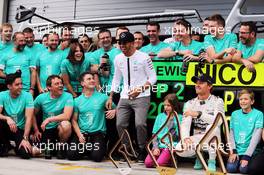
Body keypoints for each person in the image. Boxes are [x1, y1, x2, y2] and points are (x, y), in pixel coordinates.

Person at [106, 32, 157, 162]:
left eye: (125, 43)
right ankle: (128, 150)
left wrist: (139, 90)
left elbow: (153, 78)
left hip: (142, 96)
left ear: (132, 43)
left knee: (140, 124)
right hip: (124, 96)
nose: (122, 45)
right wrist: (111, 96)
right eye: (120, 43)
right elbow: (116, 79)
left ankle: (142, 150)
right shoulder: (118, 58)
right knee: (120, 124)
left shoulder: (144, 57)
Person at [175, 74, 224, 171]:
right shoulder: (189, 103)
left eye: (201, 83)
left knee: (211, 127)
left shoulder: (217, 101)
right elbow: (185, 124)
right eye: (196, 83)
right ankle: (199, 154)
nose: (197, 85)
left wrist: (199, 114)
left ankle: (211, 160)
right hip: (198, 138)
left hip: (213, 138)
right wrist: (185, 139)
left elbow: (219, 121)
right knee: (179, 149)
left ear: (210, 86)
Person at [67, 72, 116, 162]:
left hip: (97, 133)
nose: (92, 80)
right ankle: (88, 149)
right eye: (89, 79)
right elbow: (74, 120)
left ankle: (91, 149)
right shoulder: (77, 100)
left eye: (93, 78)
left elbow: (118, 108)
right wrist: (79, 135)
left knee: (97, 158)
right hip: (82, 133)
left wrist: (114, 110)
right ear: (82, 83)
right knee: (71, 155)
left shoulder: (103, 97)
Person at [33, 75, 73, 159]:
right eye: (57, 84)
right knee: (33, 152)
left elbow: (67, 116)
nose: (61, 85)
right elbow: (32, 114)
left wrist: (49, 119)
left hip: (60, 129)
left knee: (66, 124)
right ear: (49, 87)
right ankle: (52, 148)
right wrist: (36, 130)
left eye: (61, 83)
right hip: (47, 130)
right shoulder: (41, 98)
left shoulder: (68, 96)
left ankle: (61, 147)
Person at [227, 89, 263, 174]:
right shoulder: (234, 114)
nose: (243, 101)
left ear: (252, 101)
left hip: (251, 151)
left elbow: (256, 137)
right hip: (238, 151)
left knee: (244, 170)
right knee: (230, 169)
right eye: (241, 99)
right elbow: (231, 134)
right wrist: (234, 151)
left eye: (246, 99)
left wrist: (247, 156)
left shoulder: (258, 114)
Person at [0, 71, 34, 159]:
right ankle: (6, 145)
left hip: (20, 130)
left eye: (21, 84)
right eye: (17, 84)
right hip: (7, 127)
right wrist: (7, 118)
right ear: (9, 86)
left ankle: (14, 146)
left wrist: (25, 139)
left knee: (26, 154)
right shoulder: (2, 95)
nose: (21, 87)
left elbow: (29, 118)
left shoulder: (27, 96)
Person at [145, 93, 182, 168]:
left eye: (168, 105)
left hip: (170, 146)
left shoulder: (179, 117)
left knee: (159, 164)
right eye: (165, 105)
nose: (166, 107)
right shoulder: (160, 116)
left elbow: (178, 136)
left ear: (174, 105)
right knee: (148, 163)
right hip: (159, 145)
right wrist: (155, 147)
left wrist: (172, 121)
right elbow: (154, 134)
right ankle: (166, 159)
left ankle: (171, 158)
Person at [90, 29, 120, 93]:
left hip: (119, 89)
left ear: (111, 38)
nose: (105, 39)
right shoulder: (94, 55)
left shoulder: (119, 52)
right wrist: (99, 91)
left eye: (107, 37)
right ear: (99, 40)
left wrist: (99, 67)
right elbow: (95, 73)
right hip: (103, 90)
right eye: (103, 38)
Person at [0, 23, 13, 90]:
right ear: (1, 33)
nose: (8, 33)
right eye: (6, 31)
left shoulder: (15, 45)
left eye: (10, 31)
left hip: (11, 82)